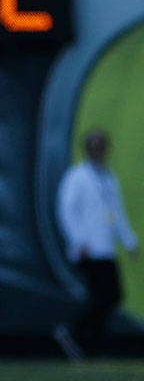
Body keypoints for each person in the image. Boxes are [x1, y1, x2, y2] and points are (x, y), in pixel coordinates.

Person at [56, 130, 139, 356]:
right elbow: (66, 210)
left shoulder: (108, 177)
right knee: (105, 295)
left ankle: (92, 343)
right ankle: (75, 332)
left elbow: (117, 213)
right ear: (87, 150)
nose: (97, 151)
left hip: (105, 248)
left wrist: (129, 241)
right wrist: (78, 240)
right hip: (88, 248)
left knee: (110, 296)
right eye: (93, 147)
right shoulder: (77, 176)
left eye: (100, 146)